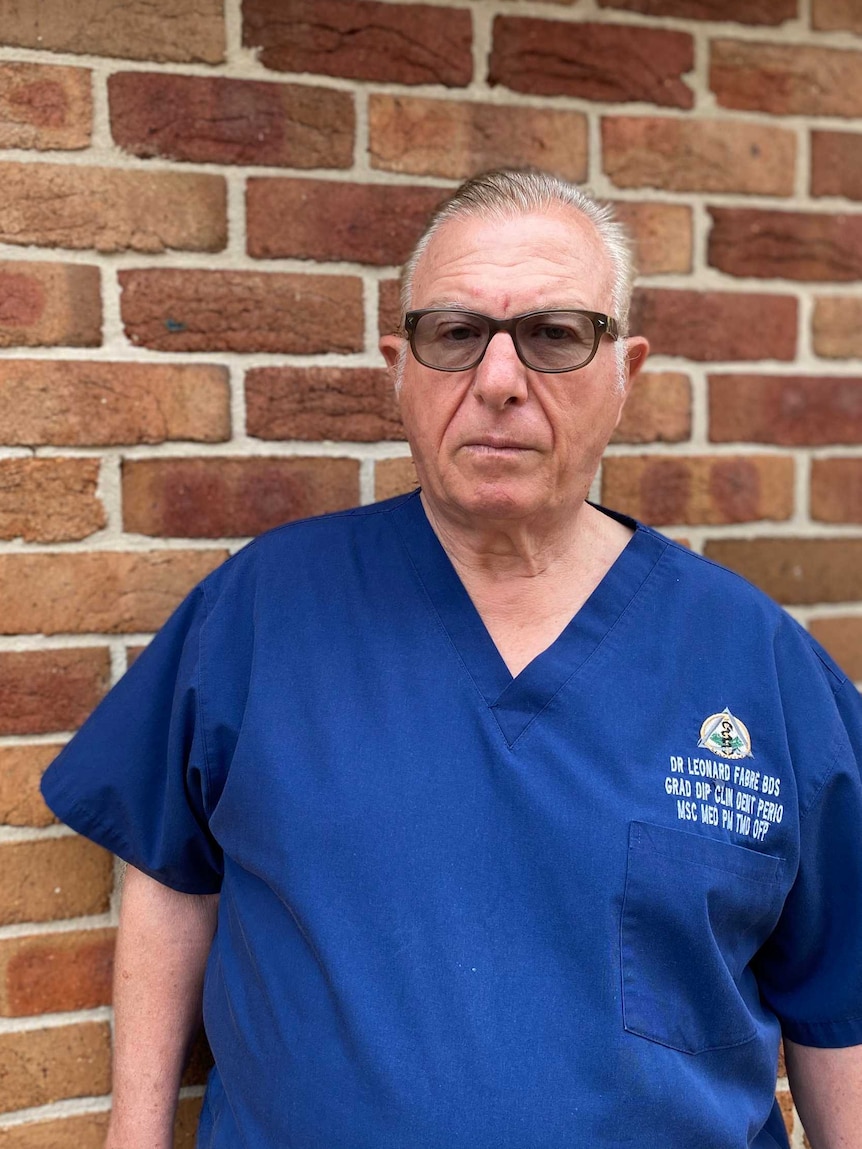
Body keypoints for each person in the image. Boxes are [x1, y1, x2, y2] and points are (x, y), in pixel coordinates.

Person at [42, 169, 862, 1149]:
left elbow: (838, 997)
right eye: (455, 333)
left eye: (556, 335)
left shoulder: (752, 660)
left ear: (626, 370)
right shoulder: (267, 609)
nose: (500, 380)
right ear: (400, 365)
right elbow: (171, 879)